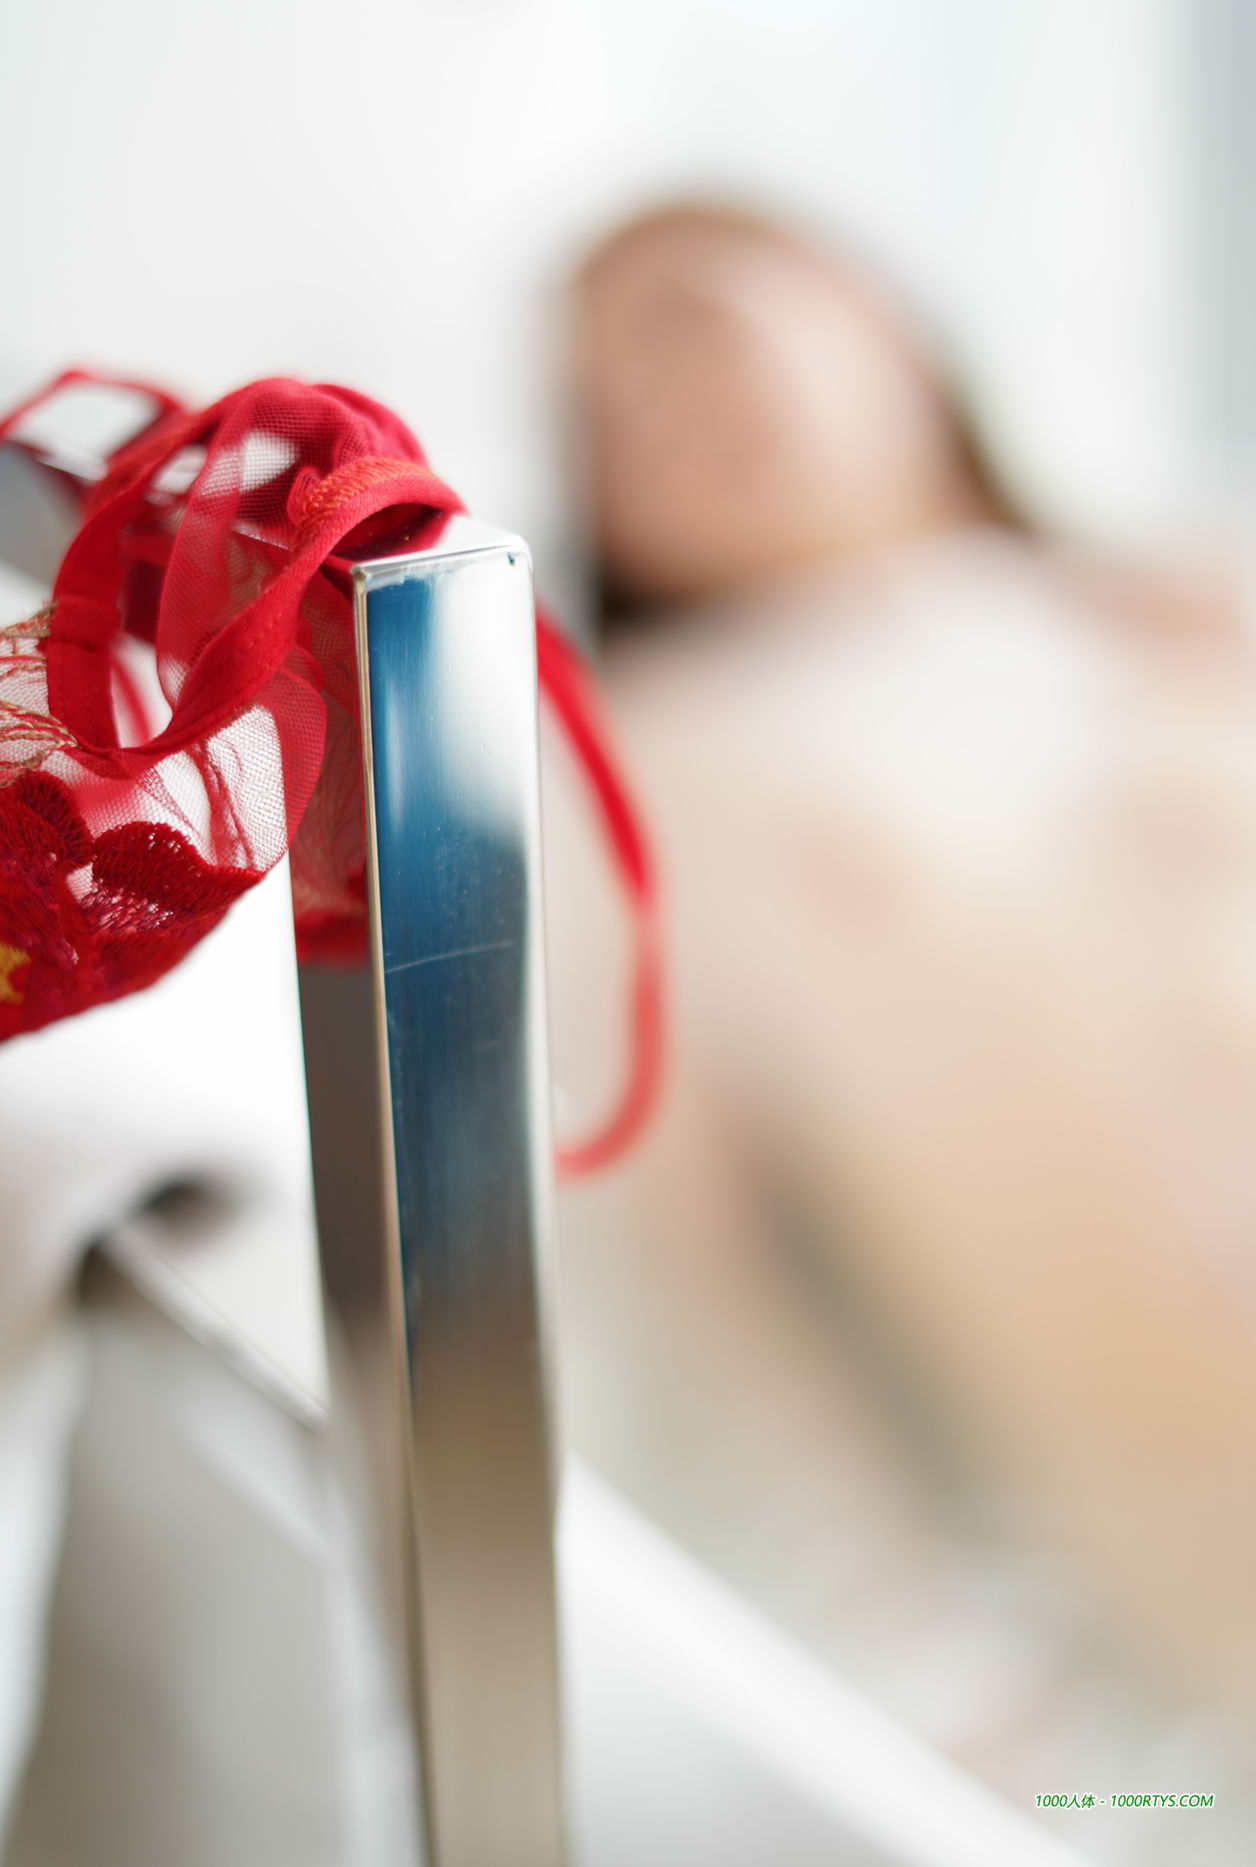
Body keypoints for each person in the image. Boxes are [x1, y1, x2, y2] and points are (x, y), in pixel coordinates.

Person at [547, 202, 1256, 1830]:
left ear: (882, 318)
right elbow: (710, 1348)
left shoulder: (1183, 606)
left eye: (694, 319)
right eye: (600, 413)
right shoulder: (652, 781)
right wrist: (994, 1772)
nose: (664, 409)